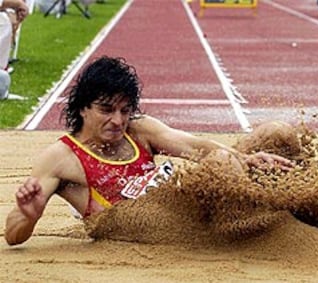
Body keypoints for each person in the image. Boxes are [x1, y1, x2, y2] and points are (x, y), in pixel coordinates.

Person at [4, 56, 293, 246]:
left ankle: (295, 198)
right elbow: (13, 236)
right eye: (106, 110)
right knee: (221, 162)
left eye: (125, 111)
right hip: (161, 228)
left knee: (276, 132)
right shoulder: (61, 159)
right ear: (82, 108)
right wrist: (29, 215)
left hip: (189, 202)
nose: (118, 121)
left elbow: (194, 147)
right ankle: (277, 224)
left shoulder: (139, 130)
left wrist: (244, 159)